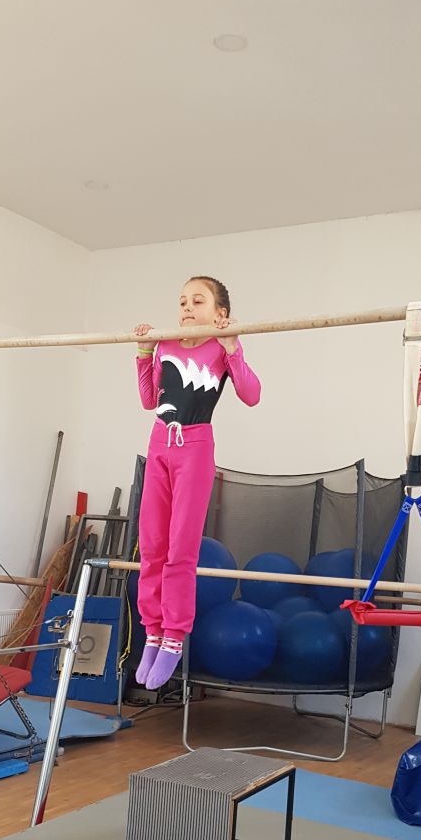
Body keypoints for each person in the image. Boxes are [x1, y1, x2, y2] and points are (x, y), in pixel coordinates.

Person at [133, 276, 261, 689]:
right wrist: (144, 353)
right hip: (159, 444)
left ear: (220, 313)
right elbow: (149, 400)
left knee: (180, 550)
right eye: (183, 301)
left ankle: (174, 636)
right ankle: (153, 630)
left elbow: (252, 395)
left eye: (198, 301)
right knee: (152, 546)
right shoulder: (167, 344)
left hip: (195, 448)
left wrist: (233, 348)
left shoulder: (219, 348)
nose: (187, 307)